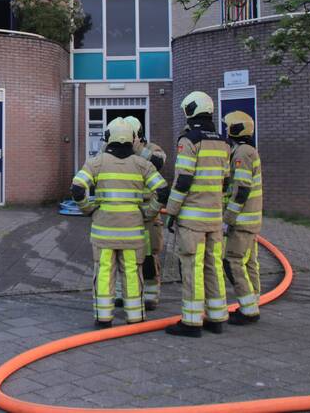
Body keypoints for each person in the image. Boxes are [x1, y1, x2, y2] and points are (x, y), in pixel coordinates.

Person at [70, 118, 164, 327]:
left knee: (104, 271)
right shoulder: (142, 164)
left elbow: (77, 189)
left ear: (108, 137)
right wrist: (149, 212)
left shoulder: (96, 162)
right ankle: (135, 316)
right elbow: (163, 190)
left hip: (104, 232)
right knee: (132, 271)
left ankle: (103, 317)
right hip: (133, 231)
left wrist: (88, 209)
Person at [164, 91, 231, 338]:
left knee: (192, 266)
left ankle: (192, 322)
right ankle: (217, 317)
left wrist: (171, 212)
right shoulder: (223, 142)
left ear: (190, 111)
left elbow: (183, 180)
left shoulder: (189, 140)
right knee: (214, 265)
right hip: (214, 217)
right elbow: (226, 180)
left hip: (192, 219)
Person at [222, 110, 263, 325]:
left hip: (242, 221)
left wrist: (228, 217)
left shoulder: (242, 154)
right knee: (249, 263)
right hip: (250, 220)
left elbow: (241, 190)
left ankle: (248, 309)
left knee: (233, 261)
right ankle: (253, 302)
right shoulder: (248, 150)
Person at [124, 115, 168, 311]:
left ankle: (151, 294)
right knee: (123, 255)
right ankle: (120, 292)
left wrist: (138, 150)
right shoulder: (119, 148)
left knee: (149, 256)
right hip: (126, 211)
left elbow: (159, 162)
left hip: (148, 213)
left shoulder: (152, 149)